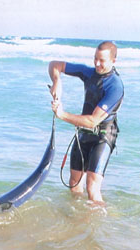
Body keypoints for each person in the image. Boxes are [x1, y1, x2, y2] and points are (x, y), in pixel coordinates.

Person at [49, 41, 124, 204]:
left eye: (102, 60)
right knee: (74, 184)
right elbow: (55, 65)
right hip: (83, 134)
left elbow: (92, 121)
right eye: (95, 58)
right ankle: (78, 218)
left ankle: (100, 218)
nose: (97, 64)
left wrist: (62, 114)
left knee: (92, 187)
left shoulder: (115, 86)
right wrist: (56, 81)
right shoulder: (88, 73)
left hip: (103, 136)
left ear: (113, 60)